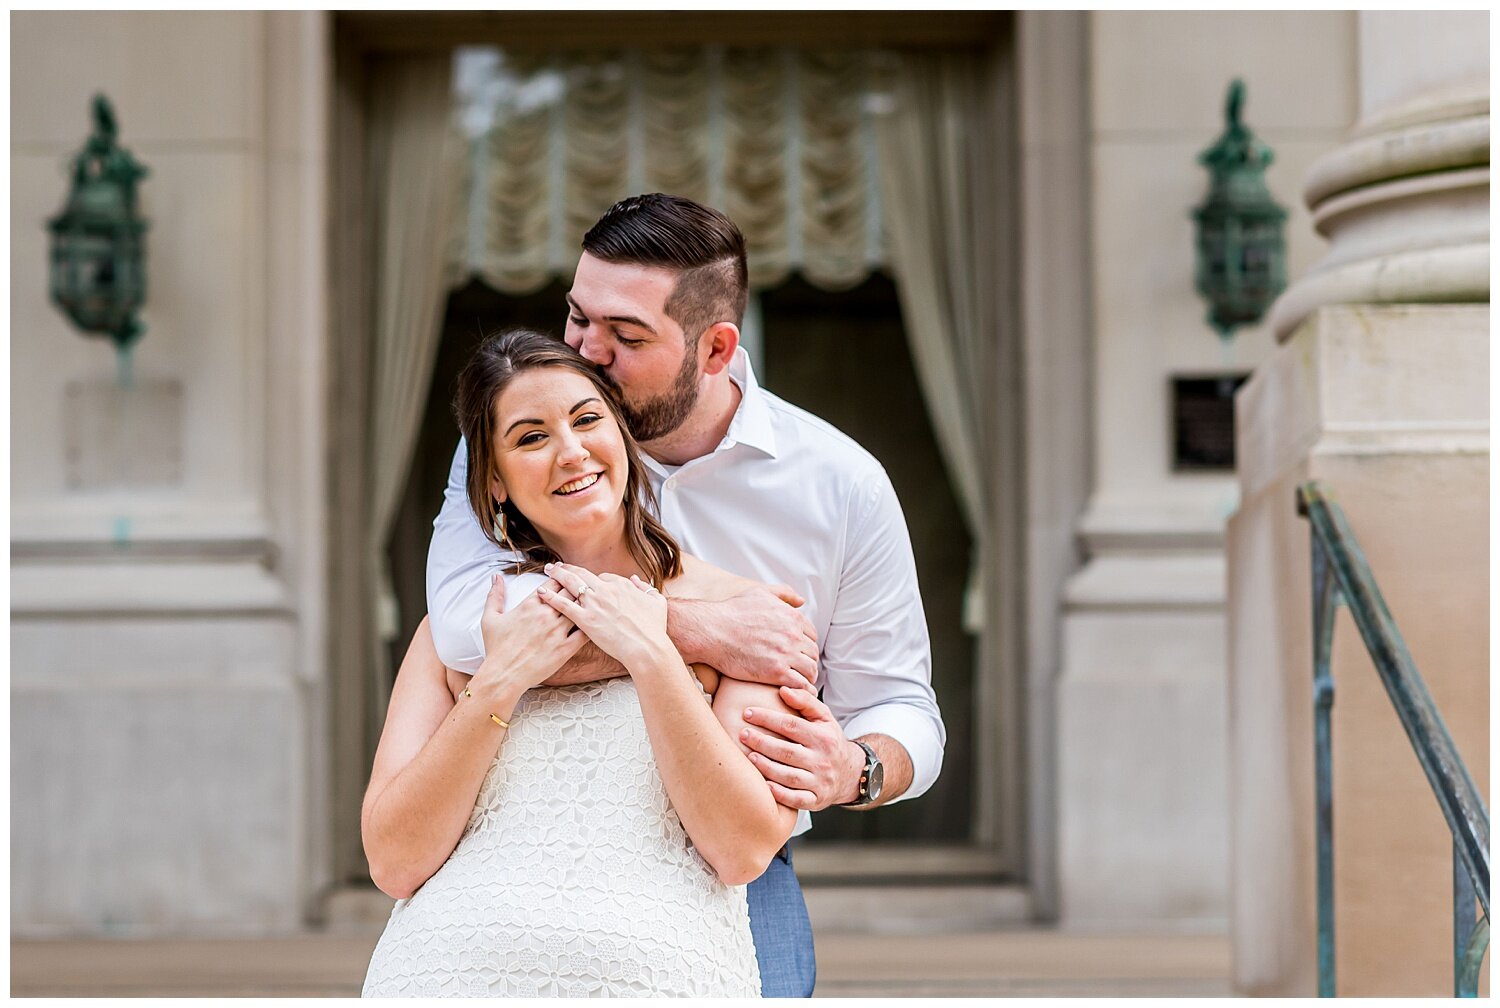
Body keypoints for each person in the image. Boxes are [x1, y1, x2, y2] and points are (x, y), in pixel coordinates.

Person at [426, 193, 945, 997]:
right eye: (577, 318)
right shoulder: (509, 448)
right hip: (521, 859)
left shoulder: (841, 485)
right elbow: (465, 629)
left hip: (730, 864)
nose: (586, 354)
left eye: (626, 337)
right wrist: (697, 632)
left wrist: (855, 768)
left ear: (716, 348)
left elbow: (902, 702)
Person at [362, 330, 801, 997]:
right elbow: (394, 861)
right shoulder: (459, 633)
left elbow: (741, 849)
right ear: (495, 482)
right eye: (530, 438)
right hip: (448, 973)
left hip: (657, 978)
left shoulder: (742, 619)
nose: (570, 452)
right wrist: (501, 682)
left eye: (587, 419)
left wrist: (653, 652)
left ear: (624, 437)